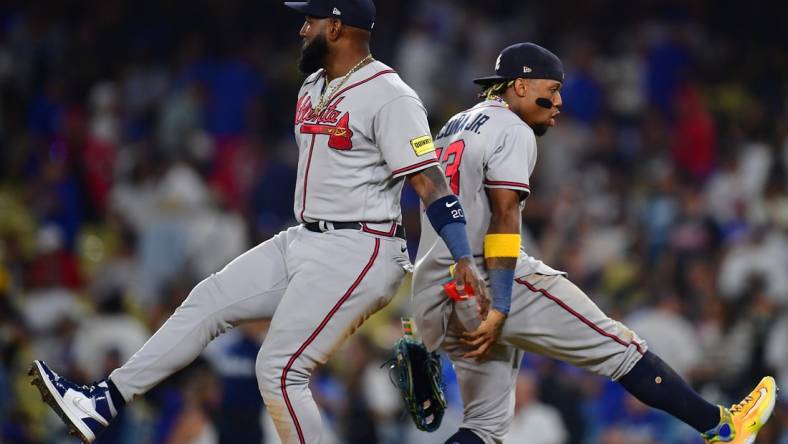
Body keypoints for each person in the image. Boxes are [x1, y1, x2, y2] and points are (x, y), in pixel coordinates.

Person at [28, 1, 488, 443]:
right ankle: (103, 402)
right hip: (305, 237)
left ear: (336, 26)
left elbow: (431, 184)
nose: (302, 29)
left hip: (362, 247)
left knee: (280, 370)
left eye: (310, 20)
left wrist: (462, 255)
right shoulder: (312, 87)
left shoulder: (391, 96)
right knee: (209, 300)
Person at [411, 42, 778, 444]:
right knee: (621, 348)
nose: (558, 101)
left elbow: (431, 199)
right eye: (550, 89)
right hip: (487, 282)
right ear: (518, 85)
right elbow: (504, 217)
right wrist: (500, 304)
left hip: (435, 289)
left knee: (483, 427)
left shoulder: (452, 125)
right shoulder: (511, 128)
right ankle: (724, 427)